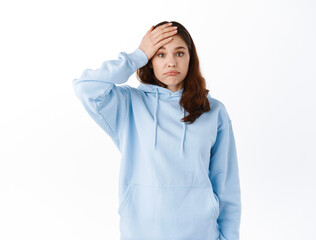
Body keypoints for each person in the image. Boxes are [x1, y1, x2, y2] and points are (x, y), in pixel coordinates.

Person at [72, 20, 241, 240]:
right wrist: (137, 55)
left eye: (179, 53)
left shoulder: (213, 111)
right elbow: (86, 86)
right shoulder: (128, 105)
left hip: (201, 233)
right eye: (160, 54)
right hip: (141, 233)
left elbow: (226, 184)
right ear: (150, 61)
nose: (171, 62)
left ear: (191, 58)